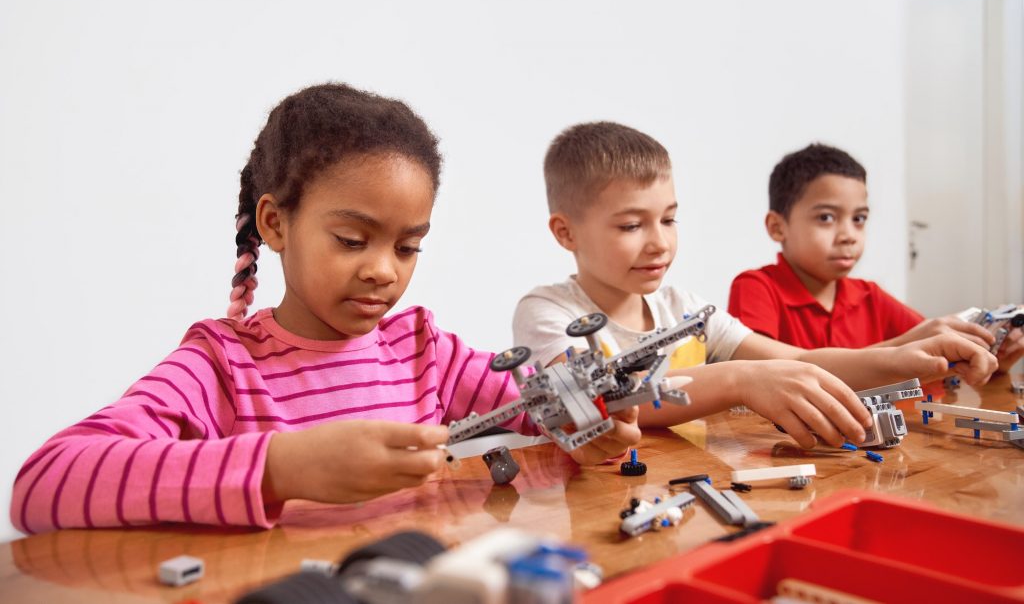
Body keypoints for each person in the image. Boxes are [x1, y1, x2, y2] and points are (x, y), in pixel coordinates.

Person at [11, 83, 636, 535]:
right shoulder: (223, 365)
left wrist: (591, 430)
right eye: (351, 240)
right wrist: (281, 469)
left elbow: (547, 411)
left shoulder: (425, 352)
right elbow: (44, 484)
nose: (383, 269)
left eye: (409, 245)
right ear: (275, 222)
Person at [513, 122, 998, 448]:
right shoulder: (547, 311)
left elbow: (799, 361)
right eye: (631, 226)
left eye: (669, 218)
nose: (660, 243)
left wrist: (901, 354)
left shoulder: (684, 308)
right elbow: (597, 400)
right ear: (566, 232)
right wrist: (739, 378)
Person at [727, 143, 1024, 372]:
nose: (848, 235)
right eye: (827, 217)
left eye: (859, 218)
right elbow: (762, 375)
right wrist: (903, 349)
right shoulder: (755, 287)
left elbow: (937, 357)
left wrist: (993, 358)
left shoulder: (870, 296)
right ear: (777, 227)